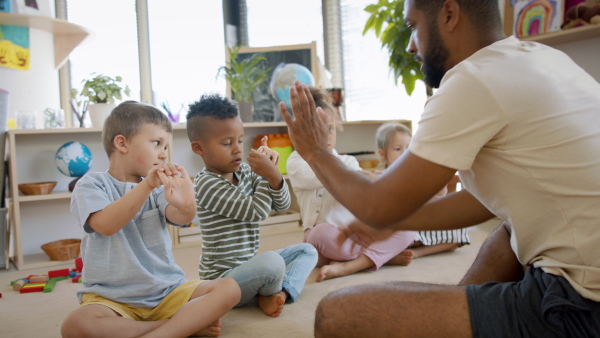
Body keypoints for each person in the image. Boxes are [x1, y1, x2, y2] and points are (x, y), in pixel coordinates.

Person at [279, 0, 600, 336]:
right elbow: (486, 200)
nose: (411, 44)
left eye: (414, 26)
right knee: (507, 235)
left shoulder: (474, 78)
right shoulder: (542, 57)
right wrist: (397, 219)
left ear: (449, 14)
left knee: (335, 315)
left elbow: (377, 204)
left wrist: (315, 151)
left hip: (581, 303)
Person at [62, 100, 241, 338]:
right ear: (122, 143)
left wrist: (187, 201)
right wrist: (146, 185)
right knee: (75, 326)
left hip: (167, 291)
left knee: (229, 288)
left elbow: (180, 216)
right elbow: (105, 225)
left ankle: (163, 331)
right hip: (111, 299)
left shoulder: (157, 189)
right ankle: (174, 326)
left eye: (166, 146)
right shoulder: (91, 184)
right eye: (157, 143)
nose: (163, 153)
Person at [186, 93, 318, 318]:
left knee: (307, 250)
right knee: (272, 262)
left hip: (250, 266)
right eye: (227, 143)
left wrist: (274, 174)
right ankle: (267, 290)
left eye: (240, 140)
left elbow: (282, 203)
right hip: (222, 280)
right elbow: (257, 212)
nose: (238, 149)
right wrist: (266, 173)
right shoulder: (206, 183)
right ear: (199, 148)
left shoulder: (245, 171)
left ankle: (280, 292)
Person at [287, 87, 416, 282]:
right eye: (318, 129)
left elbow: (361, 193)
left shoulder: (349, 161)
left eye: (330, 129)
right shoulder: (296, 162)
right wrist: (360, 177)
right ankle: (379, 256)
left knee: (409, 228)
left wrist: (372, 182)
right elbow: (325, 175)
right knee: (317, 239)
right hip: (323, 238)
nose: (326, 135)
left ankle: (354, 264)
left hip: (355, 235)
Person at [374, 121, 470, 258]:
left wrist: (439, 179)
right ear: (382, 154)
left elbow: (439, 196)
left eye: (409, 148)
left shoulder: (420, 175)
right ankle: (394, 252)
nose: (404, 153)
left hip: (422, 229)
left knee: (461, 226)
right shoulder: (379, 177)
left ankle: (417, 253)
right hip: (399, 231)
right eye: (397, 149)